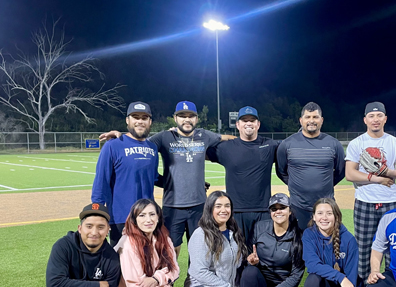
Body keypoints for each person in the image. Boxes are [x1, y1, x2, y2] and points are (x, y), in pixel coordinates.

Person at [100, 101, 232, 258]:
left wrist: (245, 141)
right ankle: (170, 275)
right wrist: (120, 136)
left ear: (196, 119)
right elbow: (138, 140)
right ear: (175, 118)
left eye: (190, 116)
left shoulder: (205, 135)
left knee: (200, 249)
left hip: (199, 205)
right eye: (182, 116)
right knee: (169, 250)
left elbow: (226, 138)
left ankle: (195, 275)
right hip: (172, 205)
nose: (187, 119)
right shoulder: (164, 137)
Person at [345, 101, 396, 281]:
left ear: (385, 119)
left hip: (390, 203)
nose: (375, 119)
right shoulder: (356, 143)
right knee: (363, 248)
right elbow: (350, 174)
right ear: (365, 120)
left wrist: (387, 171)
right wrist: (377, 178)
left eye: (379, 115)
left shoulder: (395, 143)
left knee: (393, 247)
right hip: (364, 202)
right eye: (371, 116)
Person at [206, 106, 283, 244]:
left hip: (263, 212)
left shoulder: (270, 145)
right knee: (237, 254)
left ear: (258, 124)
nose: (248, 123)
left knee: (263, 253)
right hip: (236, 212)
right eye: (244, 120)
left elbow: (292, 149)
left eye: (252, 120)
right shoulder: (226, 148)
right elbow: (198, 151)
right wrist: (179, 136)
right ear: (238, 124)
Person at [239, 193, 305, 287]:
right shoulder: (260, 227)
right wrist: (252, 261)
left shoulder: (299, 236)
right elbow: (249, 253)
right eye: (274, 209)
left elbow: (296, 276)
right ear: (270, 212)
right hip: (262, 279)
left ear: (290, 211)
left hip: (283, 283)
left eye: (282, 208)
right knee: (249, 272)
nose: (278, 211)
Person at [184, 191, 247, 287]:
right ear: (210, 209)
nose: (223, 210)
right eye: (218, 206)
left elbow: (233, 265)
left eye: (227, 206)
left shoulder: (233, 233)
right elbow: (199, 272)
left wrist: (234, 286)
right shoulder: (201, 235)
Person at [92, 101, 158, 245]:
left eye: (144, 118)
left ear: (150, 122)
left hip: (146, 218)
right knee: (120, 258)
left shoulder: (152, 148)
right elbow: (101, 181)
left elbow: (154, 177)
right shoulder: (113, 145)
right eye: (136, 117)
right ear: (127, 120)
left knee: (146, 257)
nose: (140, 121)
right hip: (120, 217)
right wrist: (97, 213)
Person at [276, 102, 346, 229]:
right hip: (298, 207)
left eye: (315, 117)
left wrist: (325, 185)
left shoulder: (334, 144)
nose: (311, 121)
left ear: (321, 120)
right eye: (308, 117)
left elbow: (341, 171)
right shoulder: (287, 144)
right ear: (301, 120)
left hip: (326, 206)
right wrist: (296, 185)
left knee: (328, 240)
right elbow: (281, 171)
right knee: (299, 241)